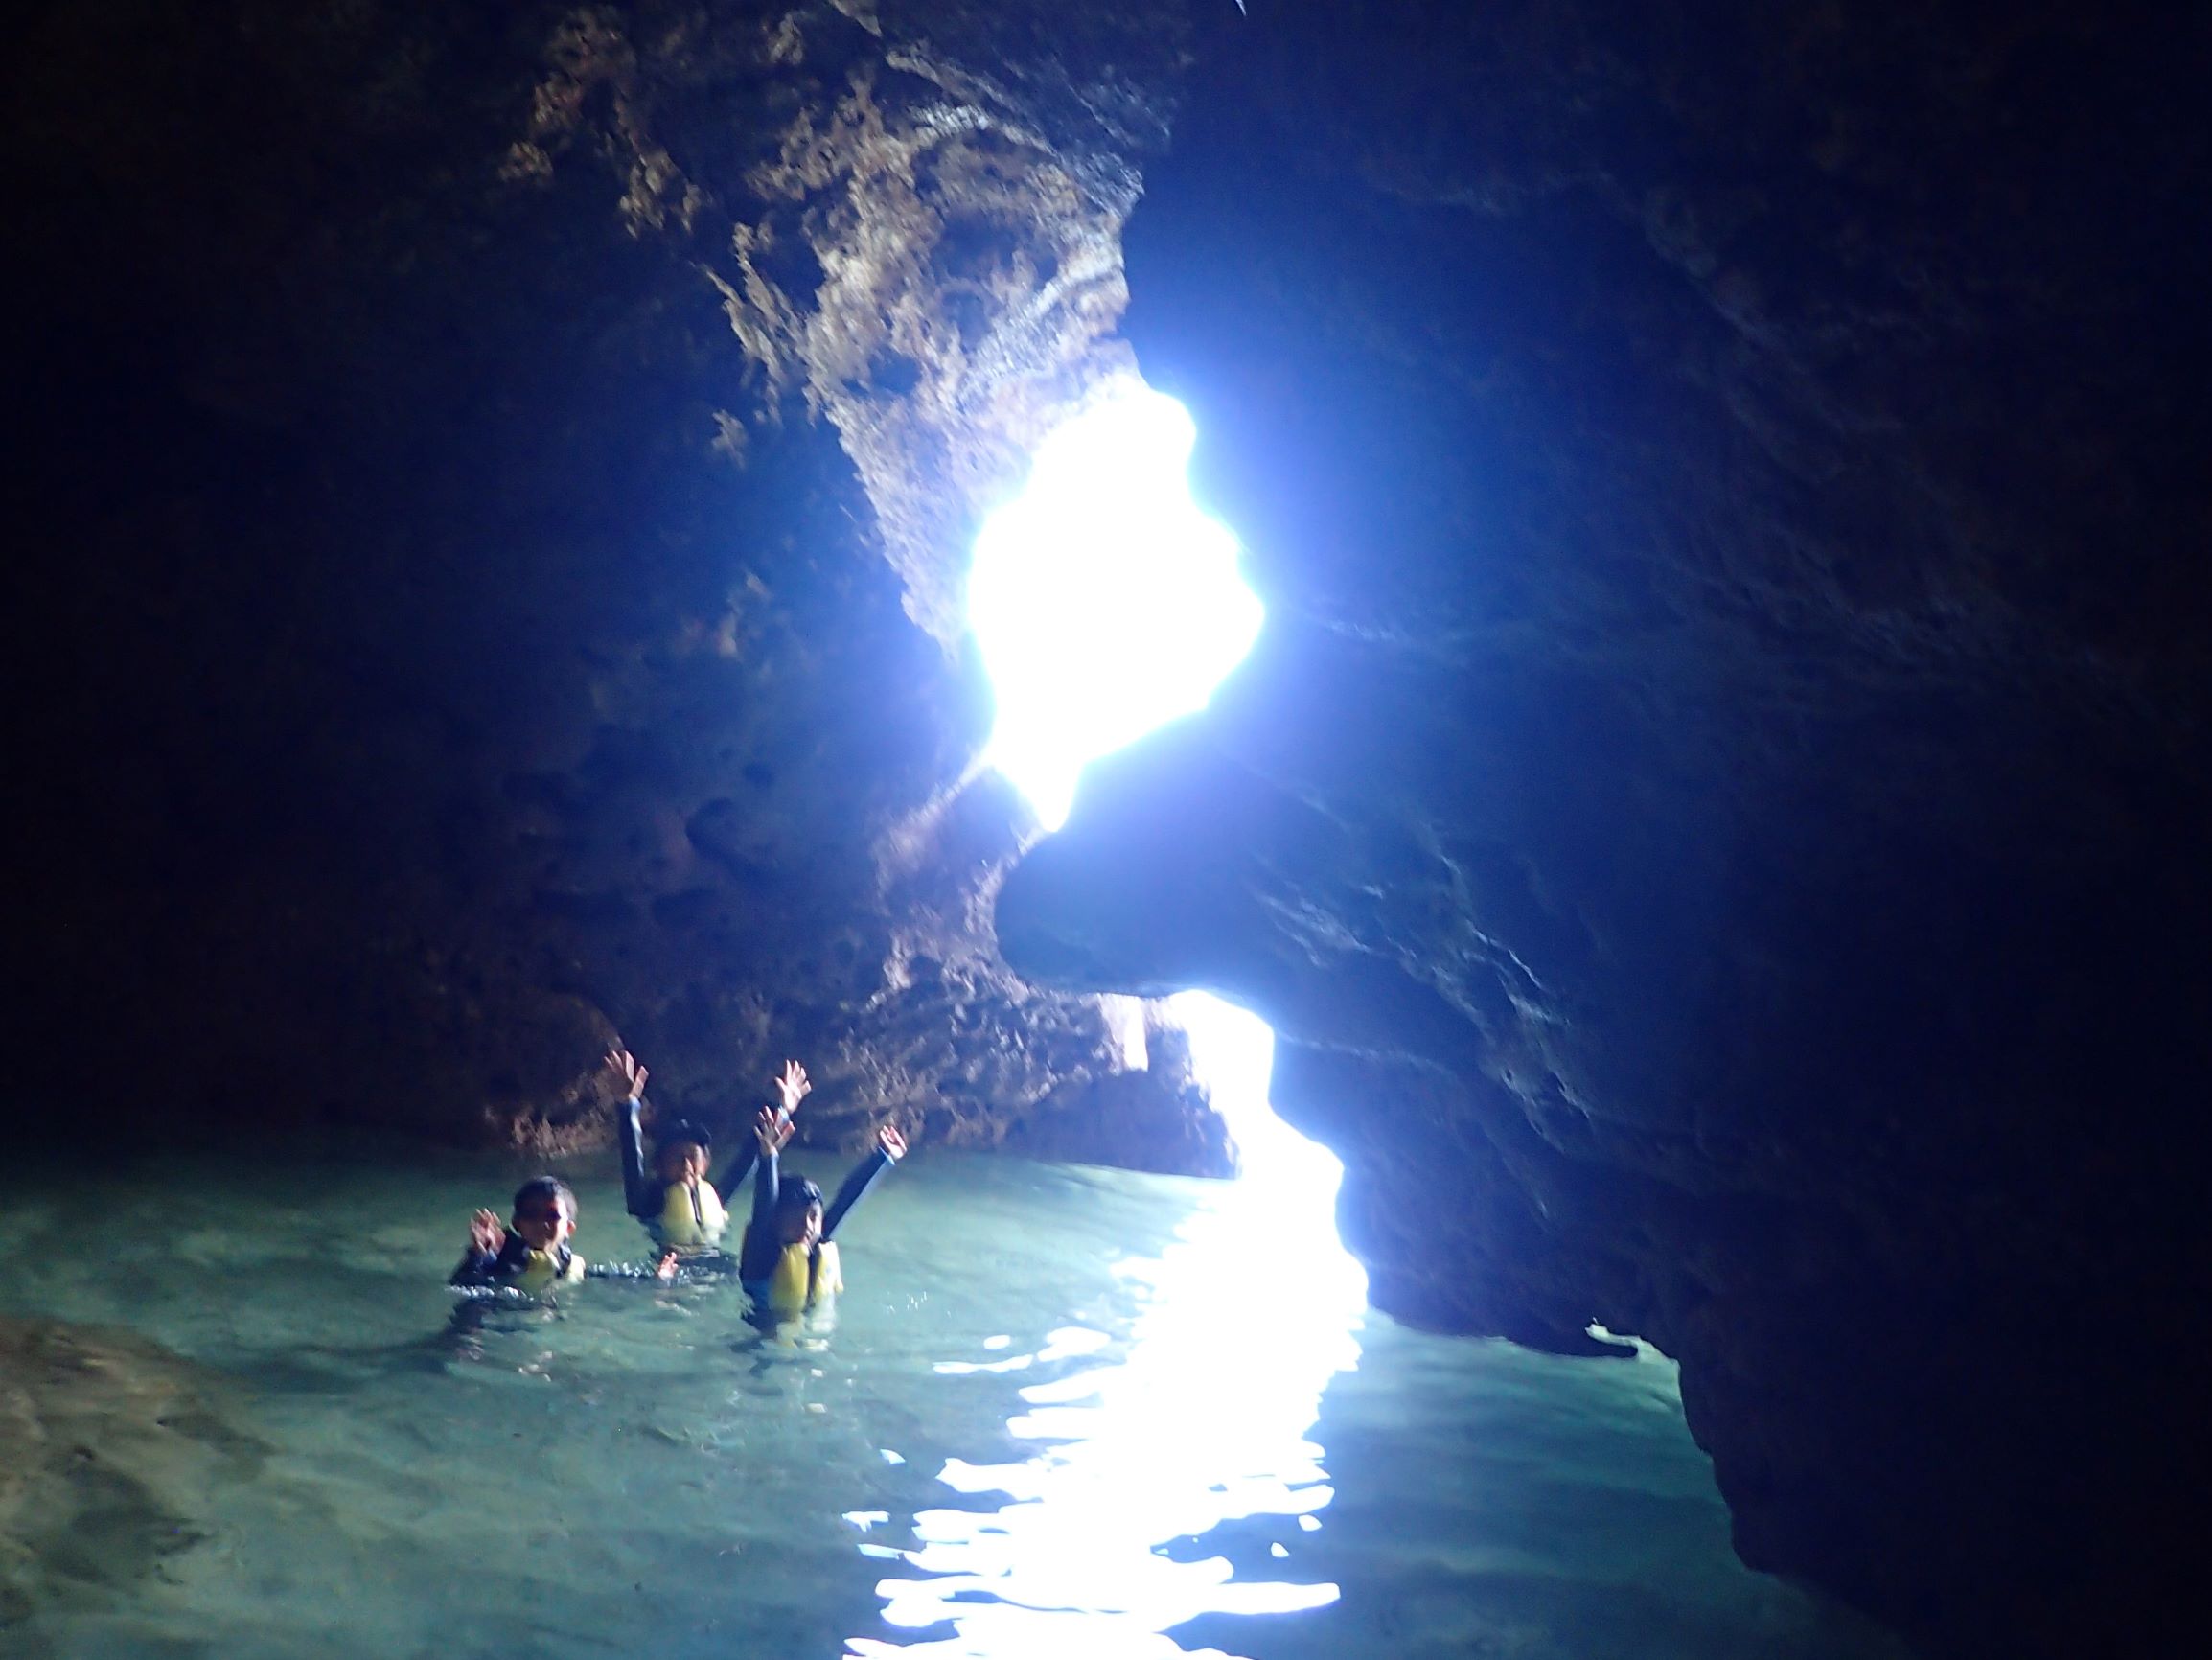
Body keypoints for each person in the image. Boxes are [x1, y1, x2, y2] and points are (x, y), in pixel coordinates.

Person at [610, 1049, 812, 1265]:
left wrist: (783, 1109)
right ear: (658, 1165)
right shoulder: (645, 1203)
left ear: (705, 1164)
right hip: (667, 1270)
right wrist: (627, 1104)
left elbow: (751, 1155)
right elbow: (631, 1158)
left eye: (693, 1157)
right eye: (677, 1158)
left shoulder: (715, 1197)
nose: (686, 1165)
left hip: (712, 1266)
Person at [739, 1107, 906, 1316]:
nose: (807, 1226)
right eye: (795, 1218)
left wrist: (882, 1157)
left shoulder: (815, 1243)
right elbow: (764, 1204)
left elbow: (846, 1201)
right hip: (756, 1339)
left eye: (813, 1217)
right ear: (776, 1219)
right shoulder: (761, 1254)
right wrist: (769, 1157)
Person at [450, 1175, 585, 1295]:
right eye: (531, 1214)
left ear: (569, 1228)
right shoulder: (499, 1258)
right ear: (516, 1224)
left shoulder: (572, 1264)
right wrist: (478, 1254)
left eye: (552, 1216)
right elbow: (459, 1285)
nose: (542, 1223)